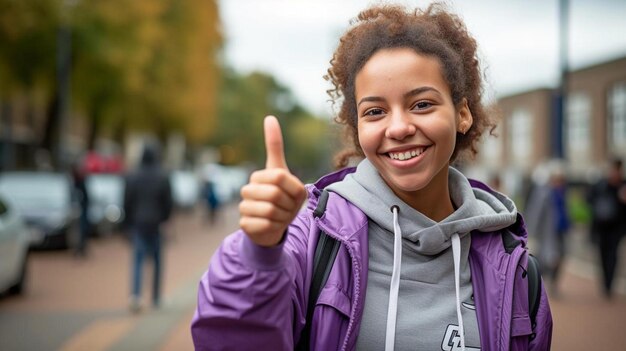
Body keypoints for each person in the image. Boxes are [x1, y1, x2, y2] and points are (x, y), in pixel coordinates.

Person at [191, 3, 552, 350]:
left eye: (422, 104)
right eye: (375, 111)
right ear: (357, 125)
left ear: (462, 114)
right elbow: (230, 338)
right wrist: (259, 253)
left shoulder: (517, 273)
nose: (398, 127)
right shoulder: (313, 237)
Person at [123, 144, 173, 312]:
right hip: (156, 224)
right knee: (158, 262)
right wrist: (165, 218)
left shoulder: (133, 176)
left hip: (138, 223)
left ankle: (136, 296)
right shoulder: (162, 176)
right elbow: (168, 201)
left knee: (138, 260)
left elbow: (127, 200)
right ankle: (156, 297)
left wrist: (127, 222)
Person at [524, 161, 570, 296]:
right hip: (547, 232)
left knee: (559, 257)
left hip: (560, 231)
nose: (559, 182)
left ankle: (551, 284)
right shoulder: (544, 193)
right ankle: (539, 286)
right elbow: (535, 213)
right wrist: (530, 233)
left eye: (561, 179)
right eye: (557, 179)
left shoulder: (561, 193)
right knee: (546, 259)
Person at [587, 158, 626, 299]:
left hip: (617, 228)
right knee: (603, 255)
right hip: (601, 227)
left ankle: (609, 284)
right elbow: (589, 198)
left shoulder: (622, 185)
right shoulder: (601, 184)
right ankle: (605, 283)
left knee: (613, 255)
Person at [72, 160, 91, 258]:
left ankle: (81, 248)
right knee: (79, 230)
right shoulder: (78, 181)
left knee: (82, 230)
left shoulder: (80, 180)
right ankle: (79, 249)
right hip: (81, 209)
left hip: (83, 209)